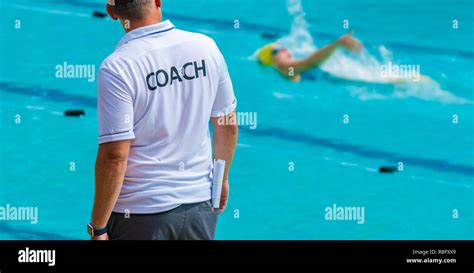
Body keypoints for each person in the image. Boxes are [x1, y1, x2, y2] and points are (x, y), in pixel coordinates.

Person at [88, 0, 238, 240]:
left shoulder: (117, 67)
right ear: (158, 1)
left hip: (139, 214)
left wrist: (98, 227)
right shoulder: (205, 47)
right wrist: (222, 179)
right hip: (199, 206)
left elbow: (115, 156)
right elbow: (227, 124)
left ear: (112, 13)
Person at [257, 32, 363, 82]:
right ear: (271, 61)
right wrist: (337, 44)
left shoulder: (289, 72)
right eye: (277, 51)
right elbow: (310, 62)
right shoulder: (284, 68)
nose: (286, 51)